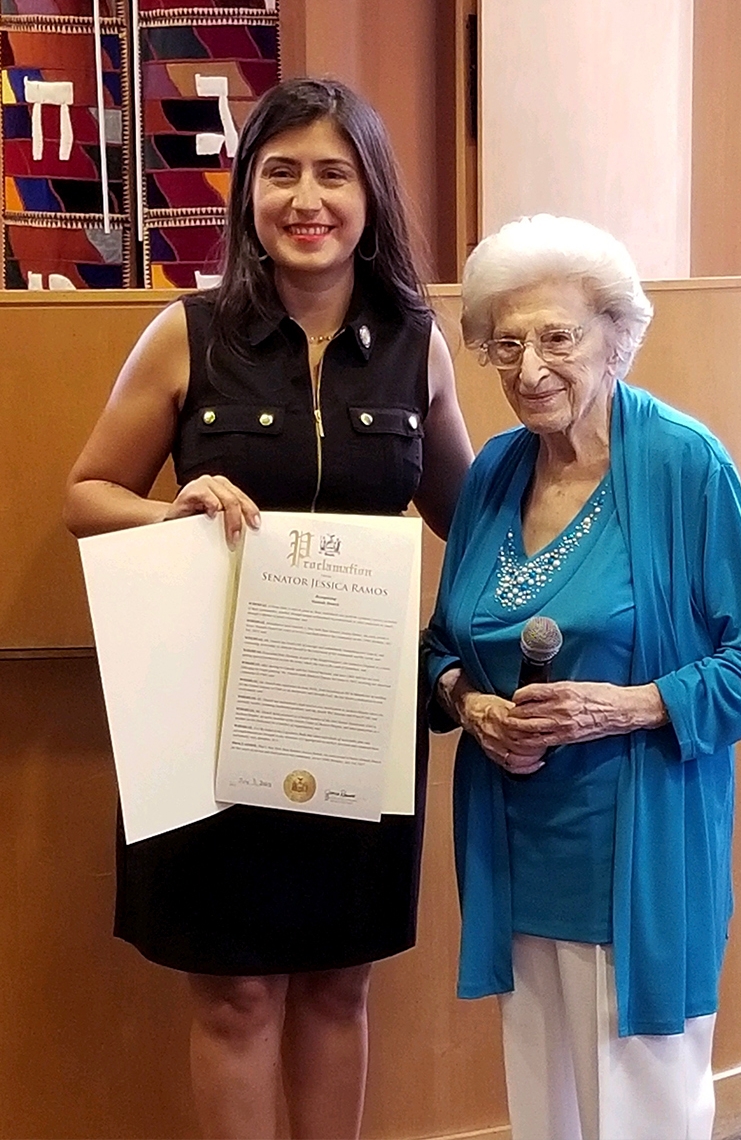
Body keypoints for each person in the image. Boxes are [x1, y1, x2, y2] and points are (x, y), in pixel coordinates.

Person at [61, 77, 474, 1138]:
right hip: (206, 710)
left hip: (355, 705)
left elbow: (469, 514)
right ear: (247, 191)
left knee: (340, 983)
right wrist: (172, 511)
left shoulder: (418, 342)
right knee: (236, 992)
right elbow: (85, 493)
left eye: (333, 173)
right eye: (281, 171)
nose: (307, 198)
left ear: (370, 194)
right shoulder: (187, 334)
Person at [422, 214, 741, 1140]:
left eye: (559, 337)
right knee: (546, 1108)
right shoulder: (494, 474)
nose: (530, 368)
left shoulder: (681, 463)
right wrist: (467, 703)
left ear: (616, 338)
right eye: (505, 344)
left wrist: (628, 706)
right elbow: (443, 643)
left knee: (644, 1113)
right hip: (520, 853)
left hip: (640, 854)